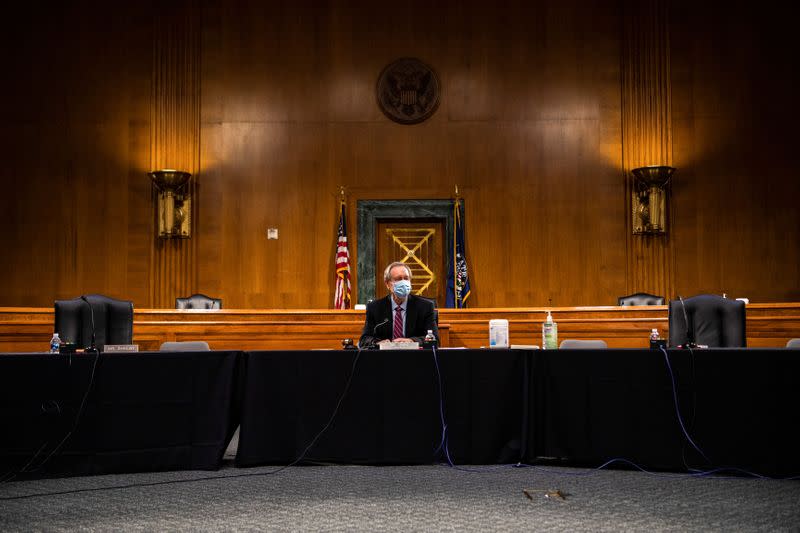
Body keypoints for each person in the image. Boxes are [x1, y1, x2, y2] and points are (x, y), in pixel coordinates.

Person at [359, 262, 439, 348]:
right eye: (398, 279)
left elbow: (434, 340)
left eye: (406, 278)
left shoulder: (425, 307)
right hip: (385, 358)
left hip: (414, 357)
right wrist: (379, 343)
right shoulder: (375, 308)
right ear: (387, 284)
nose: (403, 282)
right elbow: (364, 340)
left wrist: (411, 341)